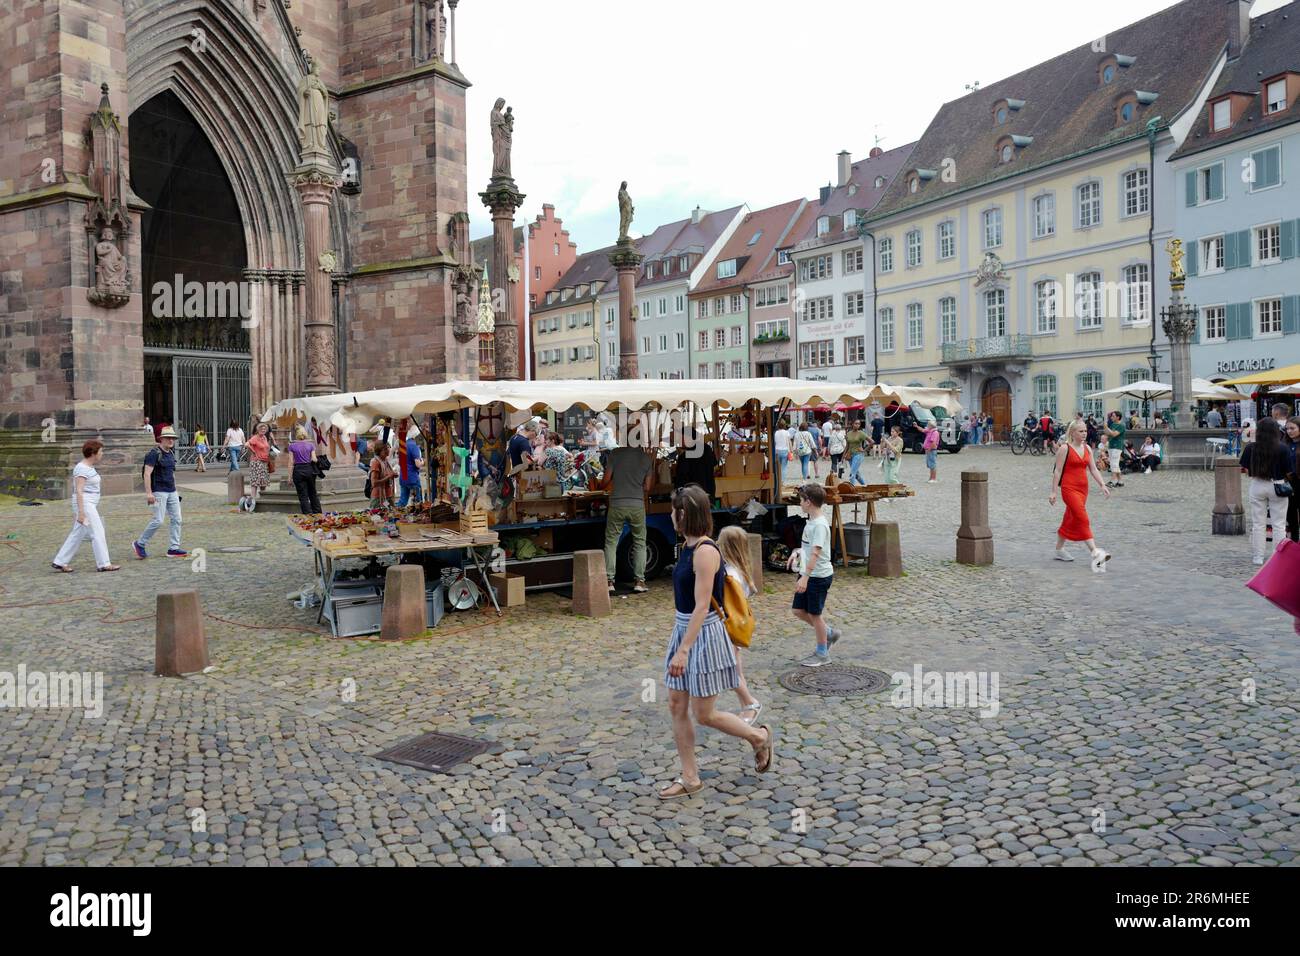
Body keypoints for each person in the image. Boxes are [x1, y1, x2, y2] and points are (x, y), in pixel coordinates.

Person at [659, 485, 773, 799]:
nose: (670, 515)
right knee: (676, 704)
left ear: (684, 514)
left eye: (674, 510)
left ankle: (758, 737)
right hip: (684, 628)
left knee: (705, 714)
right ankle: (690, 777)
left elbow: (701, 606)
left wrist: (684, 650)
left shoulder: (706, 551)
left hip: (703, 635)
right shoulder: (686, 546)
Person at [788, 483, 840, 666]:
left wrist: (805, 577)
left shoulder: (819, 525)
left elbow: (817, 553)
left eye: (801, 500)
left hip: (817, 576)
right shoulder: (811, 522)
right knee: (798, 610)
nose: (800, 503)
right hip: (808, 573)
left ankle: (822, 653)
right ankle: (829, 633)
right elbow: (810, 548)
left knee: (815, 614)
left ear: (809, 502)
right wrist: (798, 551)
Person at [1049, 419, 1112, 571]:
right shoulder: (1065, 448)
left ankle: (1059, 549)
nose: (1084, 434)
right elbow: (1057, 471)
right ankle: (1096, 553)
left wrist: (1102, 484)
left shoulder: (1088, 449)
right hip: (1068, 488)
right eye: (1080, 431)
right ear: (1072, 433)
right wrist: (1053, 492)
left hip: (1083, 489)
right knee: (1082, 517)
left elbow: (1093, 469)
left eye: (1085, 431)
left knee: (1070, 518)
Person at [51, 439, 120, 572]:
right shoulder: (81, 468)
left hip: (89, 504)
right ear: (93, 453)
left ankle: (60, 561)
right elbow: (79, 491)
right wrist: (82, 512)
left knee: (78, 533)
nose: (102, 454)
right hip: (86, 505)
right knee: (98, 532)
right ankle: (104, 563)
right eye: (101, 451)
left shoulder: (88, 467)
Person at [717, 525, 762, 726]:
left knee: (731, 669)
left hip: (727, 626)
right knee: (735, 667)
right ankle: (746, 702)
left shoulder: (729, 574)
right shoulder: (740, 570)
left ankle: (749, 703)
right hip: (735, 627)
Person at [1240, 418, 1294, 567]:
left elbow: (1245, 469)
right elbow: (1289, 471)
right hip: (1277, 484)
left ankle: (1258, 557)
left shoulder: (1251, 448)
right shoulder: (1283, 448)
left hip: (1257, 484)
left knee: (1258, 523)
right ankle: (1277, 557)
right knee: (1279, 524)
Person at [603, 442, 654, 594]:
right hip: (637, 505)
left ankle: (609, 581)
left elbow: (605, 480)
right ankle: (639, 581)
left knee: (611, 542)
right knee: (639, 542)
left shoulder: (615, 454)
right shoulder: (646, 458)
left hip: (617, 503)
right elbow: (648, 487)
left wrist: (607, 484)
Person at [133, 425, 187, 559]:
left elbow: (171, 474)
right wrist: (149, 493)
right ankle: (140, 543)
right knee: (158, 520)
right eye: (168, 438)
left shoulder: (171, 454)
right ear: (161, 439)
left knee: (177, 519)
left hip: (171, 491)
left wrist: (176, 491)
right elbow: (147, 474)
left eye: (173, 438)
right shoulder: (154, 454)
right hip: (159, 492)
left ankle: (174, 548)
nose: (171, 441)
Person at [673, 425, 716, 499]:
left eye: (681, 438)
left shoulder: (684, 457)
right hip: (708, 493)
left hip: (692, 497)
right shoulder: (707, 449)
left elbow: (680, 480)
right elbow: (714, 464)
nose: (679, 441)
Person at [286, 425, 321, 514]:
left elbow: (290, 462)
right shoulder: (310, 445)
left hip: (298, 470)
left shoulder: (292, 446)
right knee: (313, 493)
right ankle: (317, 513)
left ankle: (308, 514)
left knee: (303, 495)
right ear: (305, 434)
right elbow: (314, 459)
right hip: (309, 469)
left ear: (296, 435)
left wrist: (289, 477)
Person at [245, 422, 273, 504]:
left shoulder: (264, 437)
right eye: (261, 429)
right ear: (258, 430)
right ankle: (252, 500)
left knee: (263, 481)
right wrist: (253, 451)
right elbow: (246, 444)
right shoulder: (255, 437)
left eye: (264, 429)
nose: (263, 430)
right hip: (256, 462)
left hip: (264, 462)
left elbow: (266, 447)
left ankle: (262, 499)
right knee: (255, 481)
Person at [398, 428, 425, 507]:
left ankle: (393, 514)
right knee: (418, 502)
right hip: (412, 477)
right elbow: (418, 464)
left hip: (403, 477)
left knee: (402, 502)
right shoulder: (414, 446)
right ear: (416, 437)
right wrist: (423, 462)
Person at [367, 440, 396, 509]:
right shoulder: (376, 463)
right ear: (379, 450)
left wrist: (393, 475)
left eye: (388, 447)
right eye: (385, 448)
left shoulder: (386, 461)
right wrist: (389, 476)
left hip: (388, 496)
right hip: (378, 498)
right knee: (379, 518)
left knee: (391, 516)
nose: (388, 450)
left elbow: (388, 475)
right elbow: (374, 483)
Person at [1286, 417, 1300, 544]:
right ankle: (1294, 541)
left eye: (1292, 428)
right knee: (1290, 513)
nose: (1289, 431)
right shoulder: (1285, 444)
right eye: (1287, 428)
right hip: (1289, 484)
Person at [1103, 411, 1126, 488]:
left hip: (1117, 446)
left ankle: (1113, 480)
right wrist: (1106, 428)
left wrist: (1107, 428)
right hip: (1111, 445)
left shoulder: (1121, 426)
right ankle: (1120, 481)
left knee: (1114, 463)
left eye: (1113, 416)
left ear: (1118, 417)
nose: (1111, 417)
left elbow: (1114, 434)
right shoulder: (1113, 424)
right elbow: (1107, 433)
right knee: (1114, 463)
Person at [845, 419, 870, 485]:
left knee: (852, 474)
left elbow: (872, 442)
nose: (857, 425)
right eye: (856, 423)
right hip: (850, 455)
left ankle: (852, 490)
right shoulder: (848, 433)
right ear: (852, 424)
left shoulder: (861, 433)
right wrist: (842, 457)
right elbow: (847, 446)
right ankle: (864, 486)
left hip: (858, 455)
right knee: (856, 474)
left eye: (859, 424)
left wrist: (864, 450)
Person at [772, 416, 791, 490]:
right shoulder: (787, 432)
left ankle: (777, 481)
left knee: (777, 467)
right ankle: (782, 481)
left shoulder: (776, 432)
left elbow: (774, 442)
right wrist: (791, 450)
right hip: (785, 450)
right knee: (784, 467)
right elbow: (789, 442)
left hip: (777, 451)